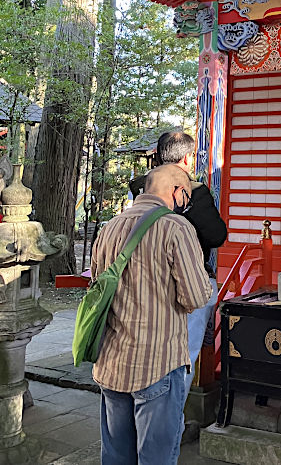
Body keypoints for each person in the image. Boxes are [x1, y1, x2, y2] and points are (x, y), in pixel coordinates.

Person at [91, 164, 212, 465]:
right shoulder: (177, 227)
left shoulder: (110, 226)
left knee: (116, 456)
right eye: (186, 194)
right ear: (175, 191)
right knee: (156, 457)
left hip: (112, 361)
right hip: (157, 363)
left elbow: (96, 286)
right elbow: (196, 296)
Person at [155, 131, 227, 404]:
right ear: (187, 157)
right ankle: (173, 422)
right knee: (183, 355)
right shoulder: (193, 192)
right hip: (187, 282)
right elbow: (216, 235)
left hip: (145, 282)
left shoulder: (138, 187)